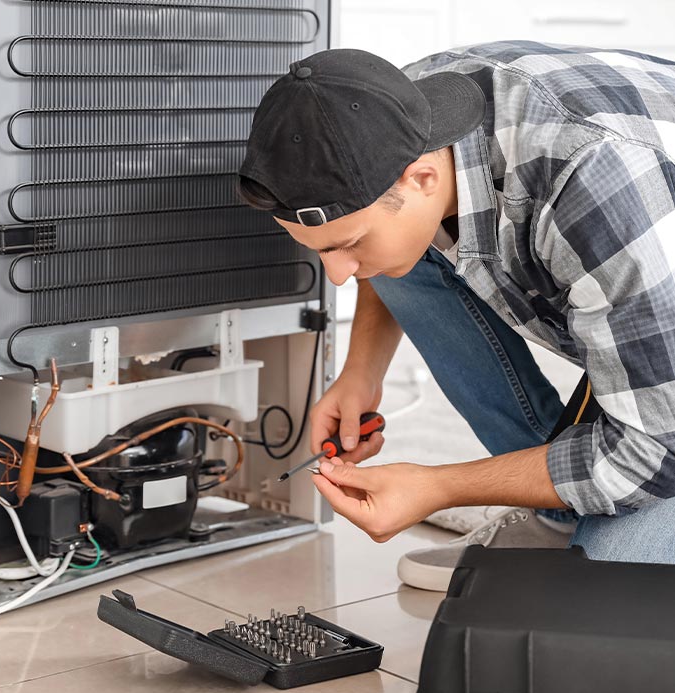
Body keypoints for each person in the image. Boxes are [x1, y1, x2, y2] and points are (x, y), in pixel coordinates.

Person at [237, 42, 675, 591]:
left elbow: (657, 452)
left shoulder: (592, 178)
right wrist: (361, 372)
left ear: (420, 178)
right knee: (401, 252)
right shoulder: (389, 109)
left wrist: (441, 486)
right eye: (319, 250)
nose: (338, 276)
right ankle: (561, 513)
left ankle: (579, 512)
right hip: (650, 300)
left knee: (609, 588)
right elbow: (390, 246)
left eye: (347, 245)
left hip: (653, 281)